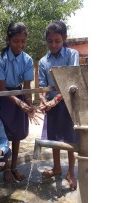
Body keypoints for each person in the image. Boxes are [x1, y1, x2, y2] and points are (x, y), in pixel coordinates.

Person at [0, 22, 39, 182]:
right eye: (16, 41)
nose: (20, 45)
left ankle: (14, 168)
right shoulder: (0, 59)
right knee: (3, 135)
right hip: (3, 96)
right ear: (8, 40)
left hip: (19, 94)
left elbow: (26, 87)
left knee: (18, 134)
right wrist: (19, 103)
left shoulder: (27, 60)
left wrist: (29, 105)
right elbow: (2, 88)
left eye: (23, 41)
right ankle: (5, 168)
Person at [38, 20, 80, 191]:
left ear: (64, 39)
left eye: (57, 41)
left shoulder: (72, 54)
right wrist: (42, 101)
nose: (53, 44)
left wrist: (53, 101)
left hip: (69, 103)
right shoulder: (43, 61)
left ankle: (70, 172)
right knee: (54, 138)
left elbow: (72, 80)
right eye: (50, 41)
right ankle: (56, 168)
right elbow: (42, 86)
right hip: (51, 105)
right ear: (46, 41)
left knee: (70, 139)